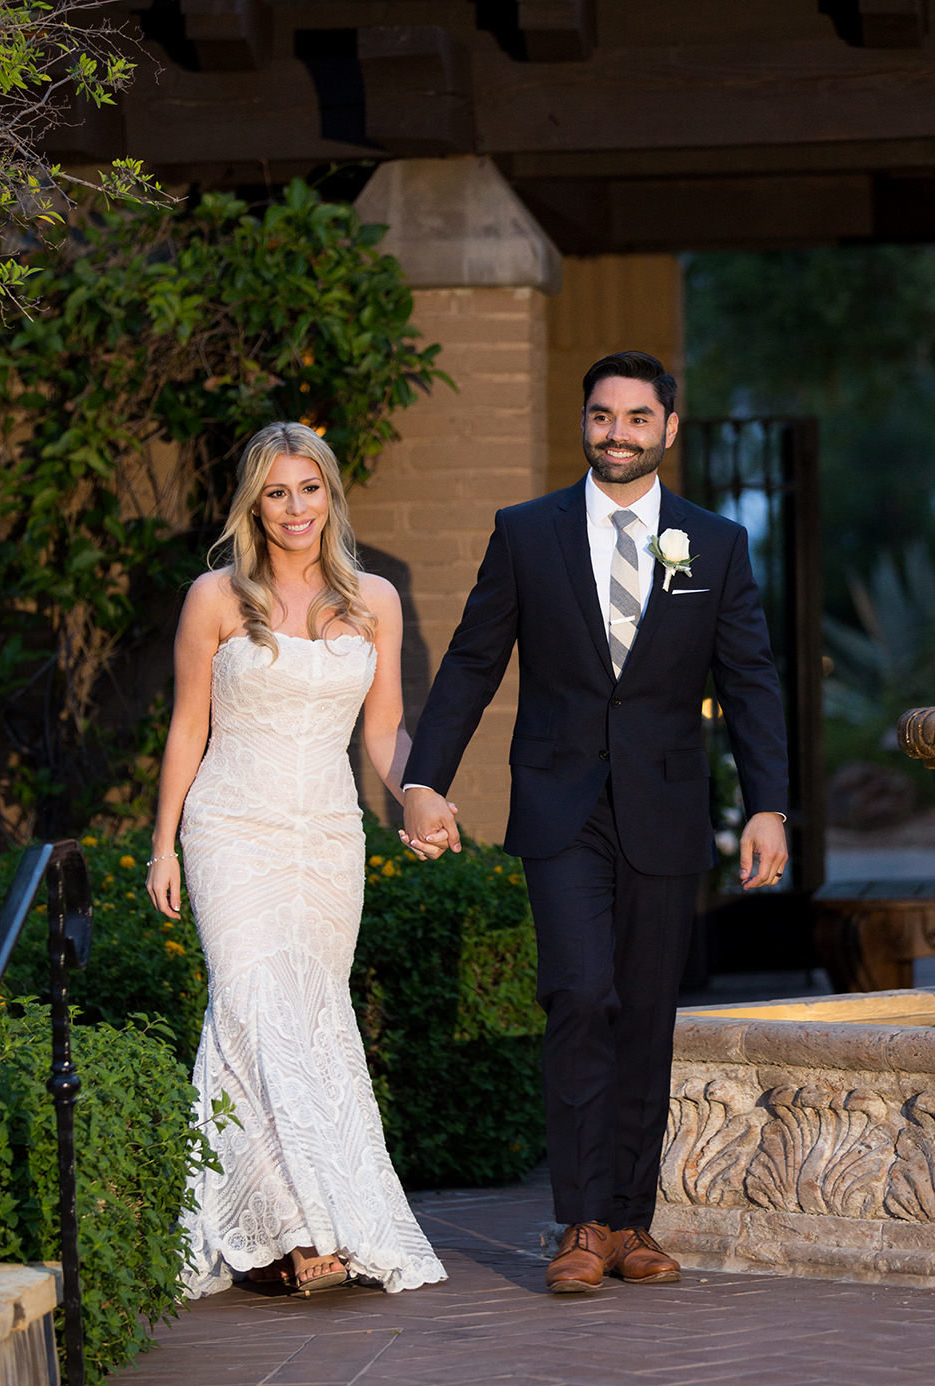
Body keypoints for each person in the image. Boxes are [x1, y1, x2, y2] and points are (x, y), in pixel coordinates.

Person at [400, 351, 789, 1293]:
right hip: (560, 803)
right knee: (579, 995)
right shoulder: (525, 533)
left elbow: (748, 681)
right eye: (602, 417)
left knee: (647, 1014)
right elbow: (470, 662)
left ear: (668, 429)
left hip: (663, 806)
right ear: (585, 421)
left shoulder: (716, 543)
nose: (618, 434)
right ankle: (579, 1220)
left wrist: (769, 803)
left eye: (637, 419)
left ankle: (629, 1222)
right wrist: (423, 781)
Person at [146, 421, 446, 1299]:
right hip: (230, 829)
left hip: (325, 835)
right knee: (248, 1009)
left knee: (312, 1021)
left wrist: (418, 793)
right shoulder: (213, 598)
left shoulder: (374, 600)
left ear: (330, 494)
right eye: (276, 492)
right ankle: (276, 1231)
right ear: (253, 503)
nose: (294, 509)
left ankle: (321, 1221)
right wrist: (162, 844)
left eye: (308, 489)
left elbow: (384, 731)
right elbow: (187, 727)